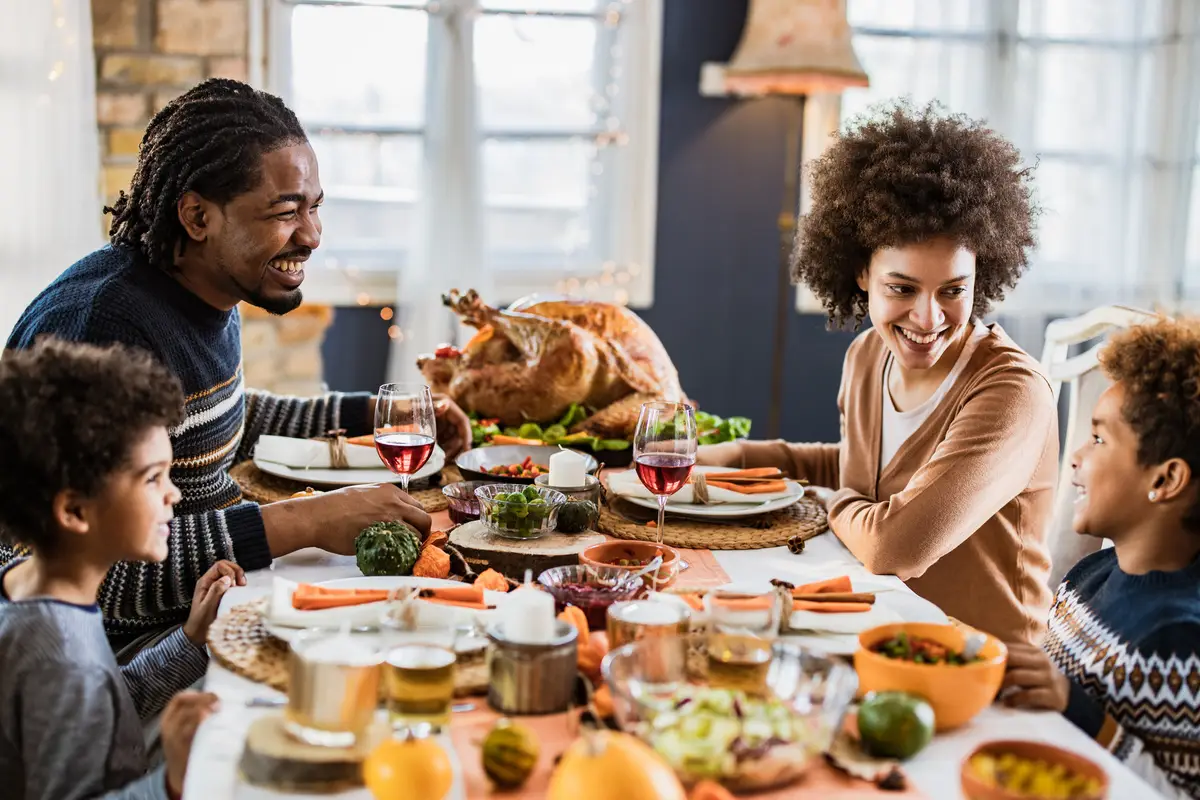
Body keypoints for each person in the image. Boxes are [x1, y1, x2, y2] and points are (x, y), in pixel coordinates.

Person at [2, 78, 472, 651]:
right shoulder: (102, 329)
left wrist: (375, 414)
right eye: (285, 211)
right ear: (198, 217)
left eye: (315, 207)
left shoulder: (204, 284)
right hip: (126, 656)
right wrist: (307, 521)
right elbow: (102, 574)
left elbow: (215, 421)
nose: (312, 235)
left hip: (214, 597)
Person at [699, 100, 1057, 644]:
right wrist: (736, 458)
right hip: (873, 629)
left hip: (979, 664)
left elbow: (895, 547)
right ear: (862, 272)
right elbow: (873, 476)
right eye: (903, 288)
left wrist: (830, 500)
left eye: (954, 290)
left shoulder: (1010, 392)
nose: (928, 318)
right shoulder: (868, 355)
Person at [0, 337, 246, 799]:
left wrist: (190, 639)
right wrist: (170, 781)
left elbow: (110, 698)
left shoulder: (32, 589)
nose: (173, 495)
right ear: (75, 512)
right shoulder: (57, 660)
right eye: (153, 478)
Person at [1001, 317, 1200, 799]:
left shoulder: (1180, 641)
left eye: (1099, 439)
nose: (1076, 457)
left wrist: (1082, 713)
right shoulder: (1089, 576)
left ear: (1165, 480)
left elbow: (1174, 794)